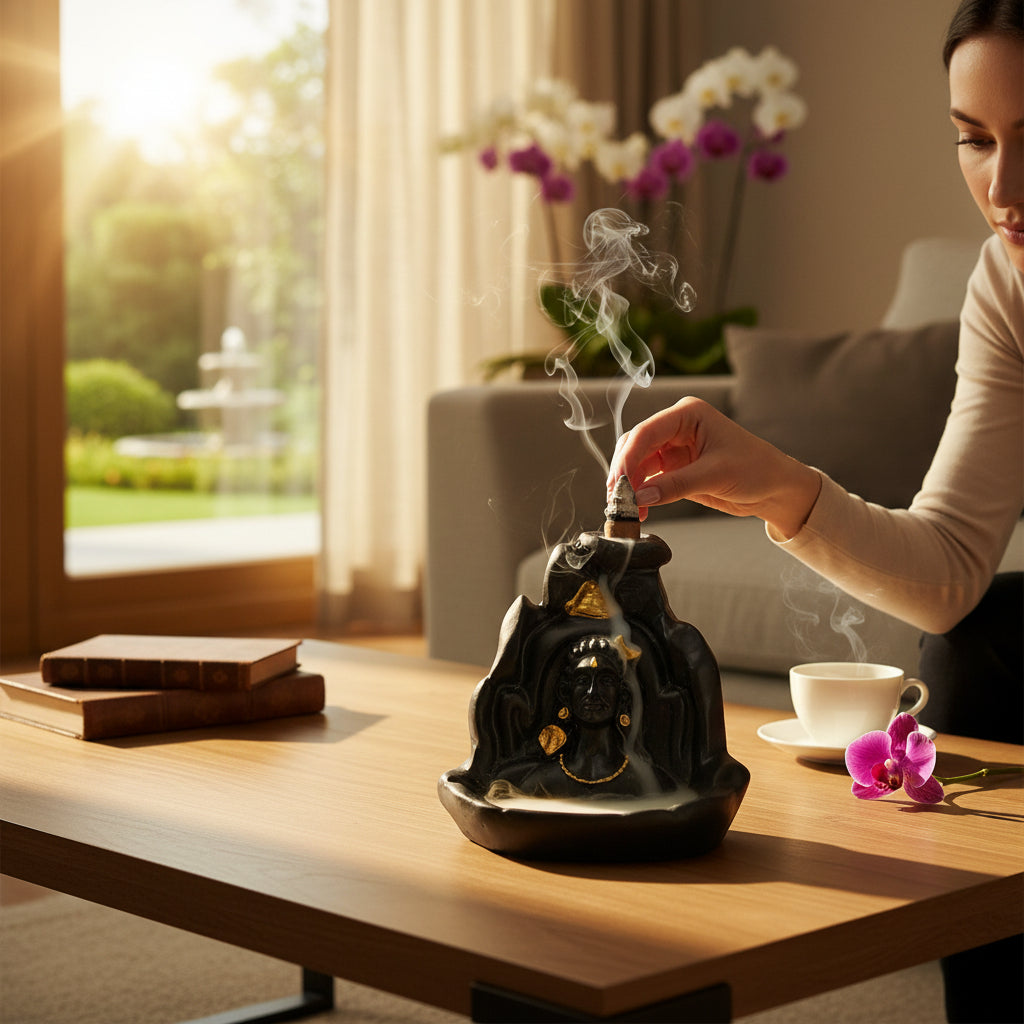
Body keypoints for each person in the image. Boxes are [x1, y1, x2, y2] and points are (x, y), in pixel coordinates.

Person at [607, 1, 1022, 1020]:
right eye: (974, 141)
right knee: (980, 645)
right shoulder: (1007, 283)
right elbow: (945, 571)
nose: (1002, 188)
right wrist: (775, 485)